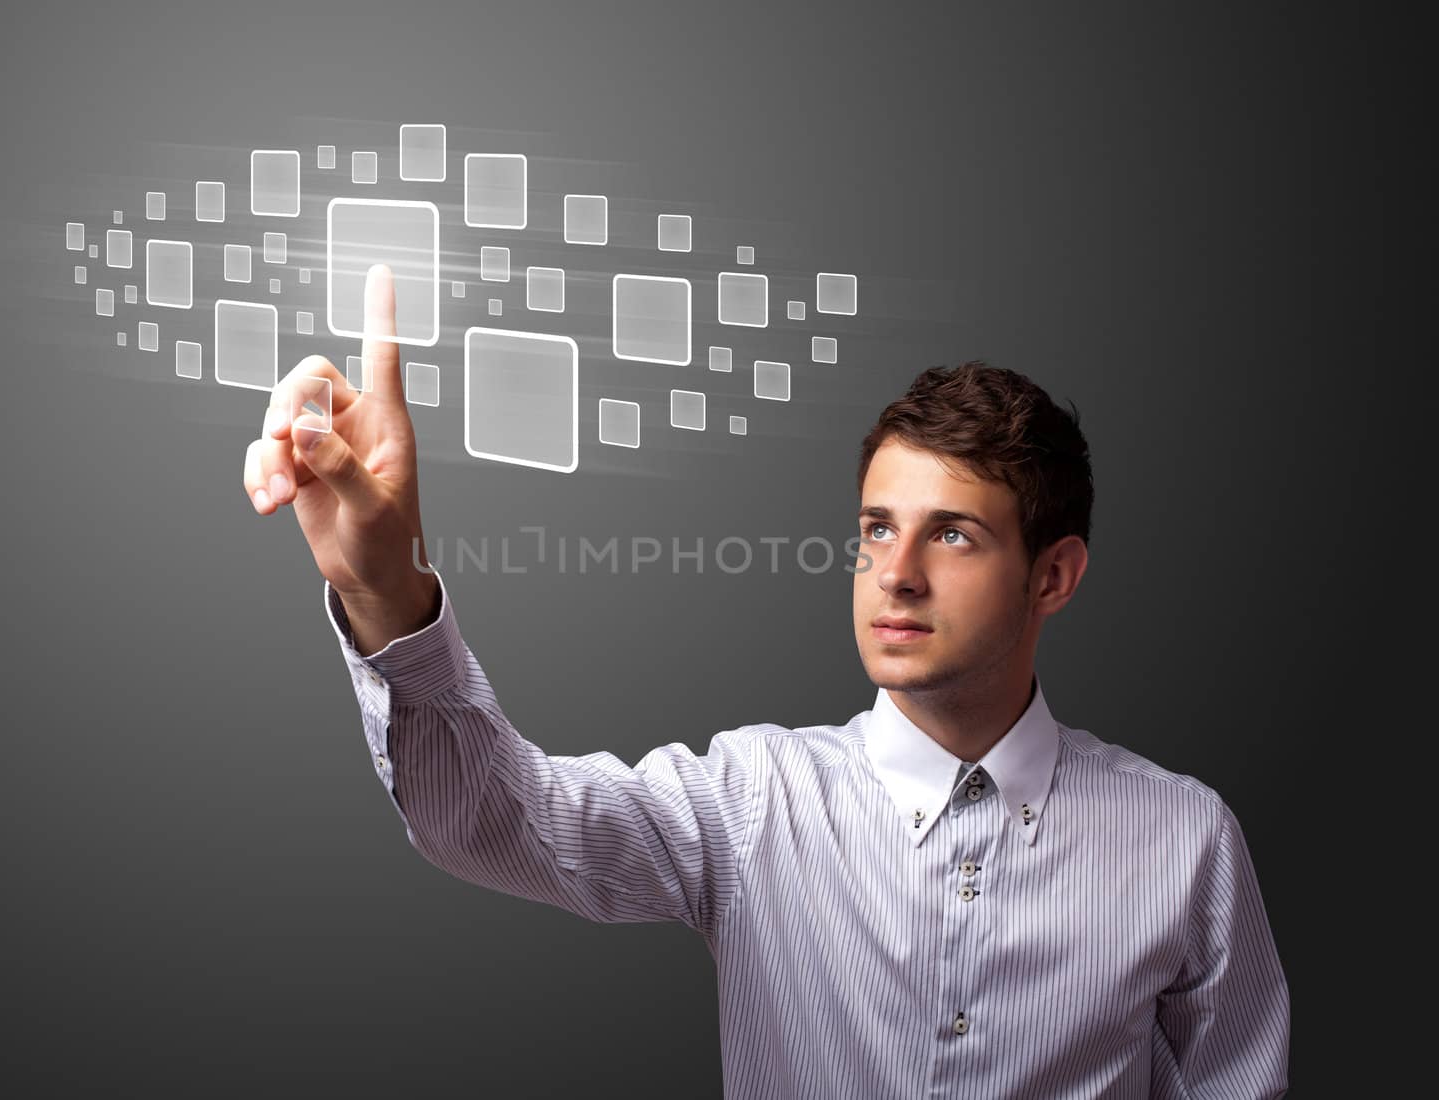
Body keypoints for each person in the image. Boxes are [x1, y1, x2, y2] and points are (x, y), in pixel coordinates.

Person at [241, 268, 1289, 1098]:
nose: (897, 572)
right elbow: (491, 819)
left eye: (952, 535)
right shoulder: (751, 801)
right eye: (876, 528)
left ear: (1053, 575)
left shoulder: (1183, 840)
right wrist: (385, 590)